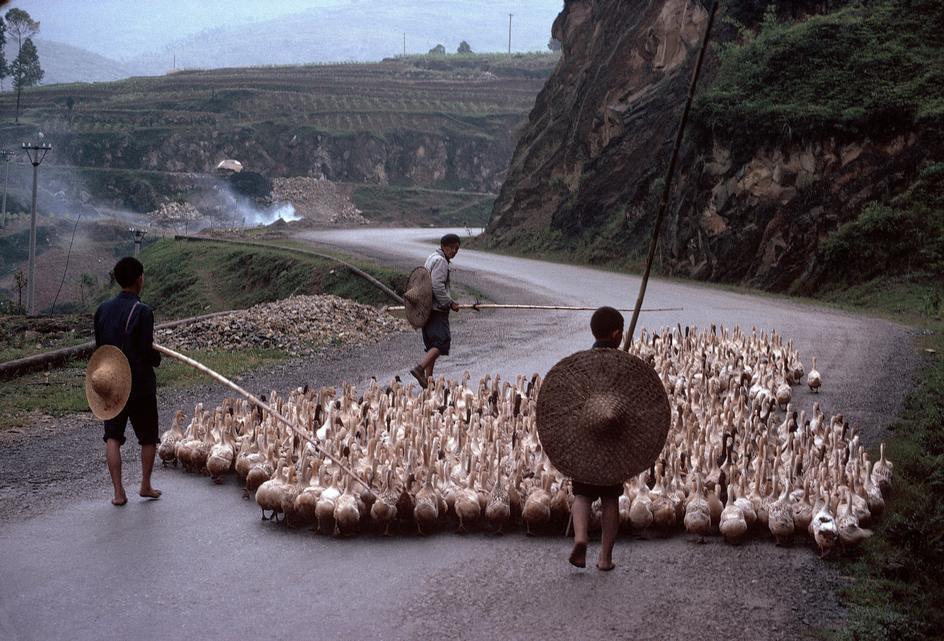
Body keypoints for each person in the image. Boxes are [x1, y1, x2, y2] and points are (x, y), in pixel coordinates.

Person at [94, 257, 162, 506]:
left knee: (113, 437)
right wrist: (157, 357)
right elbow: (146, 351)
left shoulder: (102, 310)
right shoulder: (143, 311)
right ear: (138, 279)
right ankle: (145, 485)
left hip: (111, 383)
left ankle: (119, 493)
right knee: (148, 437)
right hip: (139, 384)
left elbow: (101, 348)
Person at [569, 305, 625, 571]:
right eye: (622, 333)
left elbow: (571, 400)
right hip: (612, 441)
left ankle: (580, 539)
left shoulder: (583, 363)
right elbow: (631, 403)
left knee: (582, 494)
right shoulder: (622, 367)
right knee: (610, 498)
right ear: (616, 335)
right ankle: (605, 558)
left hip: (586, 439)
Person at [409, 233, 461, 389]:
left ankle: (428, 381)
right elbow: (437, 286)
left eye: (457, 249)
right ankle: (420, 369)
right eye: (453, 248)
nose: (455, 251)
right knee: (442, 342)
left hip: (426, 309)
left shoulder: (432, 257)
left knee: (432, 344)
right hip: (437, 309)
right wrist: (450, 303)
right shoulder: (441, 262)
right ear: (444, 246)